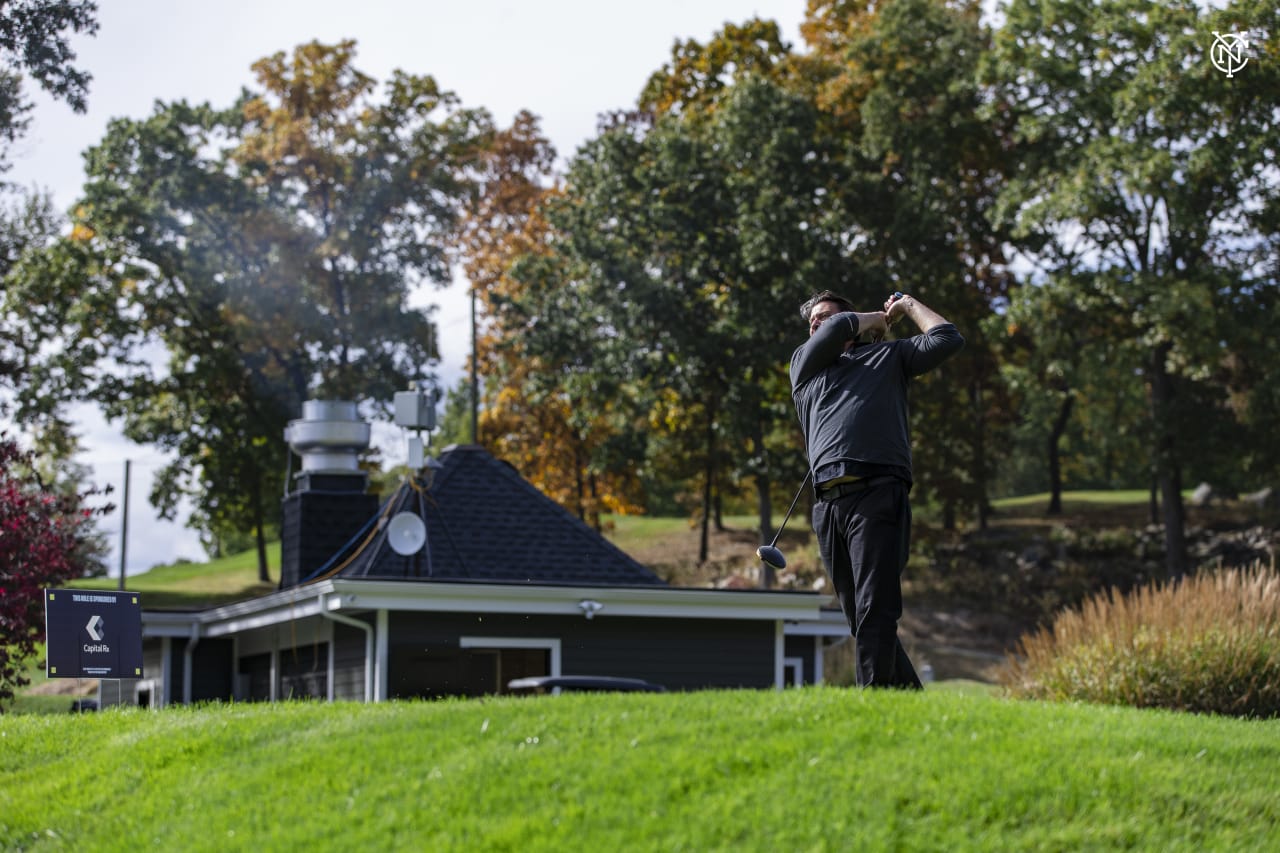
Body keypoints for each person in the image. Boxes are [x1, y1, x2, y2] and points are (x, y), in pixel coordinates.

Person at [790, 290, 964, 688]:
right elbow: (835, 329)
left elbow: (948, 339)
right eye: (813, 319)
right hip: (828, 507)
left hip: (877, 492)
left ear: (857, 327)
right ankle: (907, 701)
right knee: (859, 618)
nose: (818, 323)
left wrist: (907, 306)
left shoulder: (887, 357)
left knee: (875, 610)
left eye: (826, 315)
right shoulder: (804, 367)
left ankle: (871, 702)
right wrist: (875, 318)